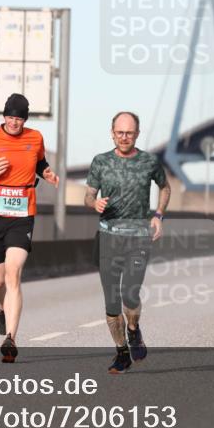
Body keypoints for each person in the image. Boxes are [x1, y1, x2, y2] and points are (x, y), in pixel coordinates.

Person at [0, 93, 59, 363]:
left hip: (22, 214)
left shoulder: (35, 138)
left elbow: (39, 162)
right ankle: (1, 305)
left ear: (25, 119)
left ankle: (11, 339)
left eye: (19, 118)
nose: (14, 122)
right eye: (10, 117)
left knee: (13, 273)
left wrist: (47, 173)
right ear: (3, 117)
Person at [85, 111, 171, 374]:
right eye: (120, 132)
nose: (124, 137)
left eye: (129, 133)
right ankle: (121, 352)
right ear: (112, 133)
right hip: (108, 236)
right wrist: (94, 203)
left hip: (138, 236)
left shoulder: (149, 161)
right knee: (111, 301)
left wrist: (158, 215)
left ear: (137, 133)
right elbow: (88, 195)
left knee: (129, 293)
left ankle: (133, 329)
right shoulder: (100, 162)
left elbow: (165, 187)